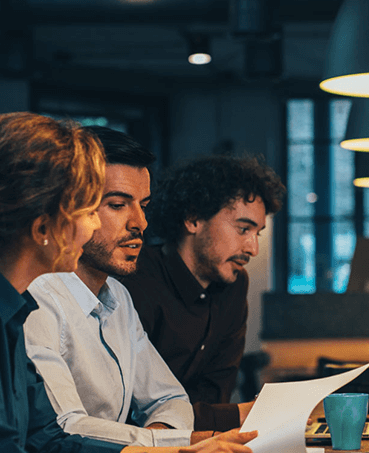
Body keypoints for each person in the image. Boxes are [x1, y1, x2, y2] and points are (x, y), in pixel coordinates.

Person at [0, 111, 255, 453]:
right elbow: (62, 431)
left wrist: (174, 449)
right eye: (110, 206)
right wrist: (175, 447)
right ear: (41, 221)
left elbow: (46, 436)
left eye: (143, 206)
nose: (141, 223)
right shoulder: (31, 300)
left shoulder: (109, 295)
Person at [122, 155, 285, 429]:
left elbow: (217, 392)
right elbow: (133, 412)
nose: (253, 248)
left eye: (257, 233)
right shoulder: (135, 279)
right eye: (243, 229)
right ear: (193, 218)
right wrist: (239, 414)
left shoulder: (234, 286)